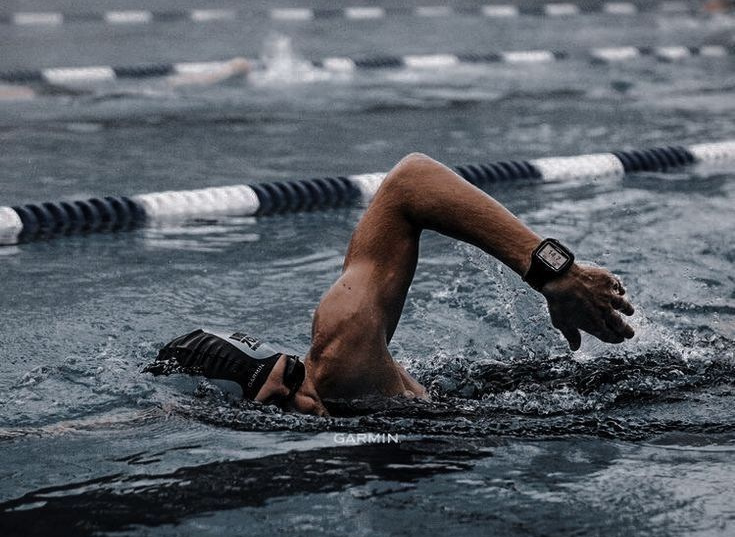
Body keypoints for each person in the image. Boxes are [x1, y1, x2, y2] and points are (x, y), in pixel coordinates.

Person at [147, 153, 635, 417]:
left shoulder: (338, 366)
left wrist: (556, 272)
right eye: (274, 406)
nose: (304, 398)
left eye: (290, 377)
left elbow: (410, 182)